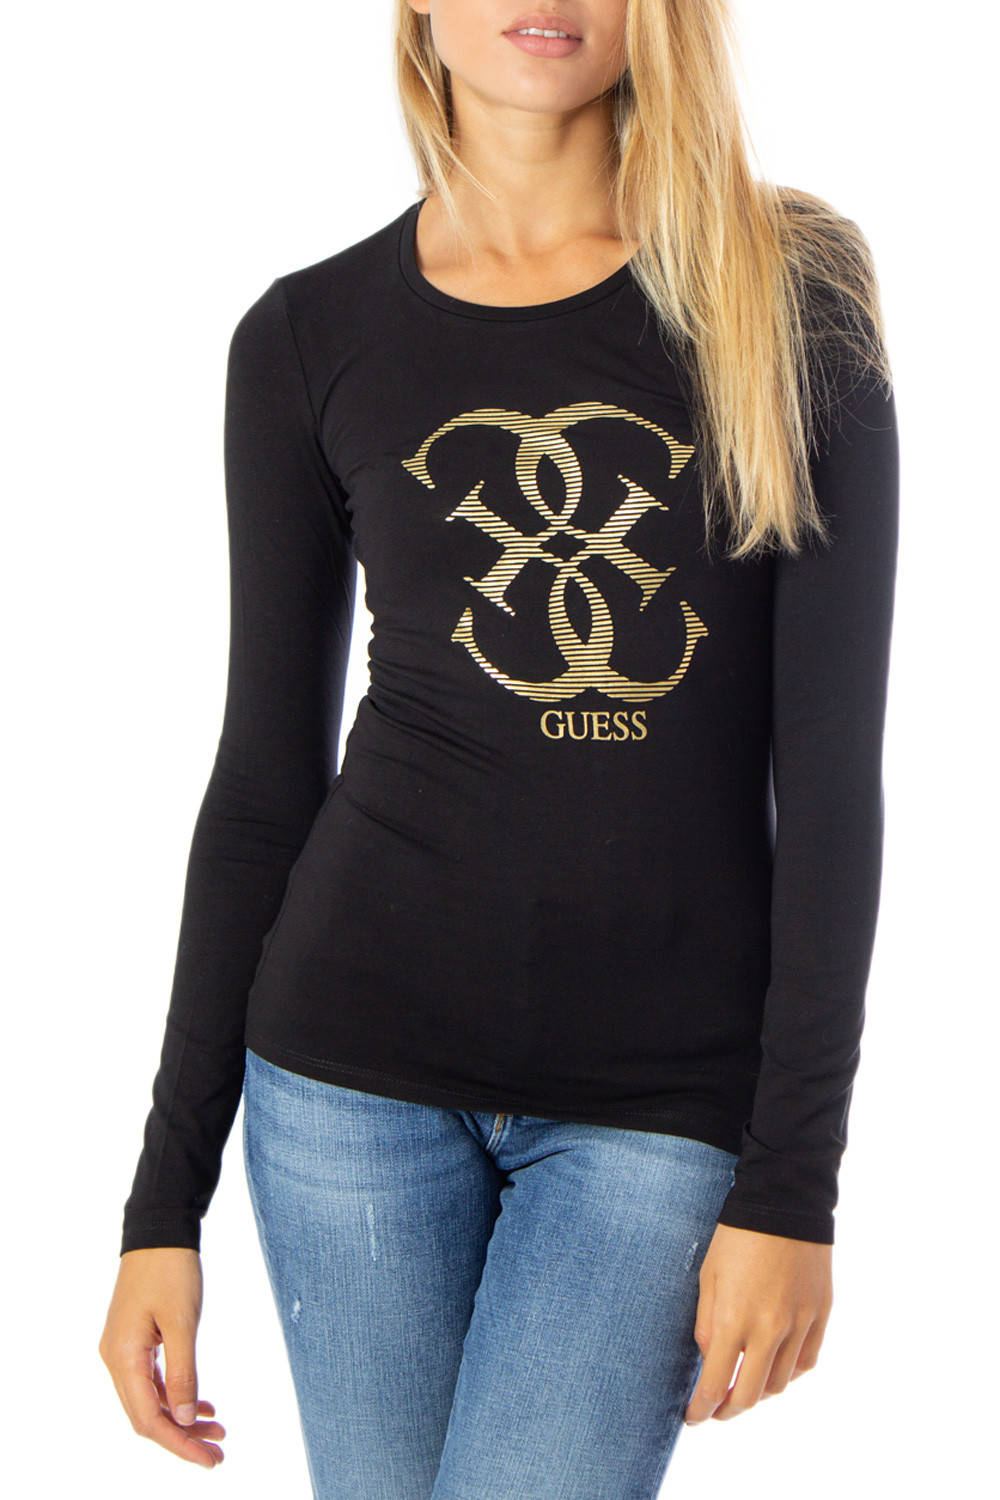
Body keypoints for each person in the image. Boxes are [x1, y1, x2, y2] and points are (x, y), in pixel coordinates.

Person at [98, 2, 900, 1496]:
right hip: (346, 1086)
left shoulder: (789, 297)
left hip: (661, 1105)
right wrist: (162, 1205)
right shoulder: (305, 336)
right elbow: (264, 785)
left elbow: (834, 780)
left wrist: (796, 1184)